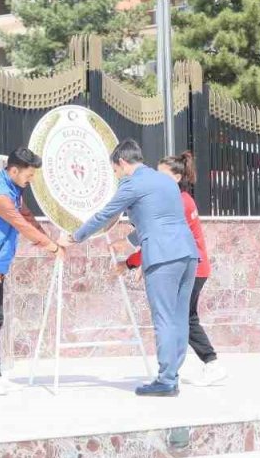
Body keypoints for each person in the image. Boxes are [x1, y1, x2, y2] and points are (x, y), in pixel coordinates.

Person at [60, 139, 198, 397]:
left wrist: (74, 237)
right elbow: (159, 217)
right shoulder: (166, 181)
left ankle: (167, 380)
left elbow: (105, 215)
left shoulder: (132, 184)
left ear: (123, 163)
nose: (116, 175)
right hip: (188, 253)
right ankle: (173, 375)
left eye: (115, 170)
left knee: (165, 318)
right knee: (179, 318)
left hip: (162, 256)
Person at [0, 147, 64, 396]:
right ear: (15, 170)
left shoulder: (14, 189)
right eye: (29, 175)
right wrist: (51, 247)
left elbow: (27, 217)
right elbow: (19, 224)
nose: (30, 180)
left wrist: (52, 239)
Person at [120, 152, 227, 386]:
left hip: (190, 265)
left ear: (177, 177)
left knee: (184, 318)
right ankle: (187, 367)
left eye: (163, 175)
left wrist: (133, 261)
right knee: (184, 317)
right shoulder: (180, 198)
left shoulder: (178, 201)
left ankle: (211, 362)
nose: (157, 179)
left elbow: (161, 238)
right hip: (193, 264)